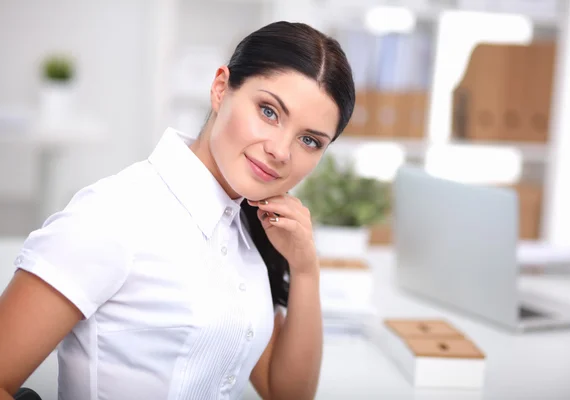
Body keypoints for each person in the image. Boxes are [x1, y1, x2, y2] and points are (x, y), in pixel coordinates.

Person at [0, 21, 355, 400]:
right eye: (269, 111)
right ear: (221, 88)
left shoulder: (247, 231)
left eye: (309, 141)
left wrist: (305, 269)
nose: (282, 152)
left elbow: (286, 393)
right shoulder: (113, 216)